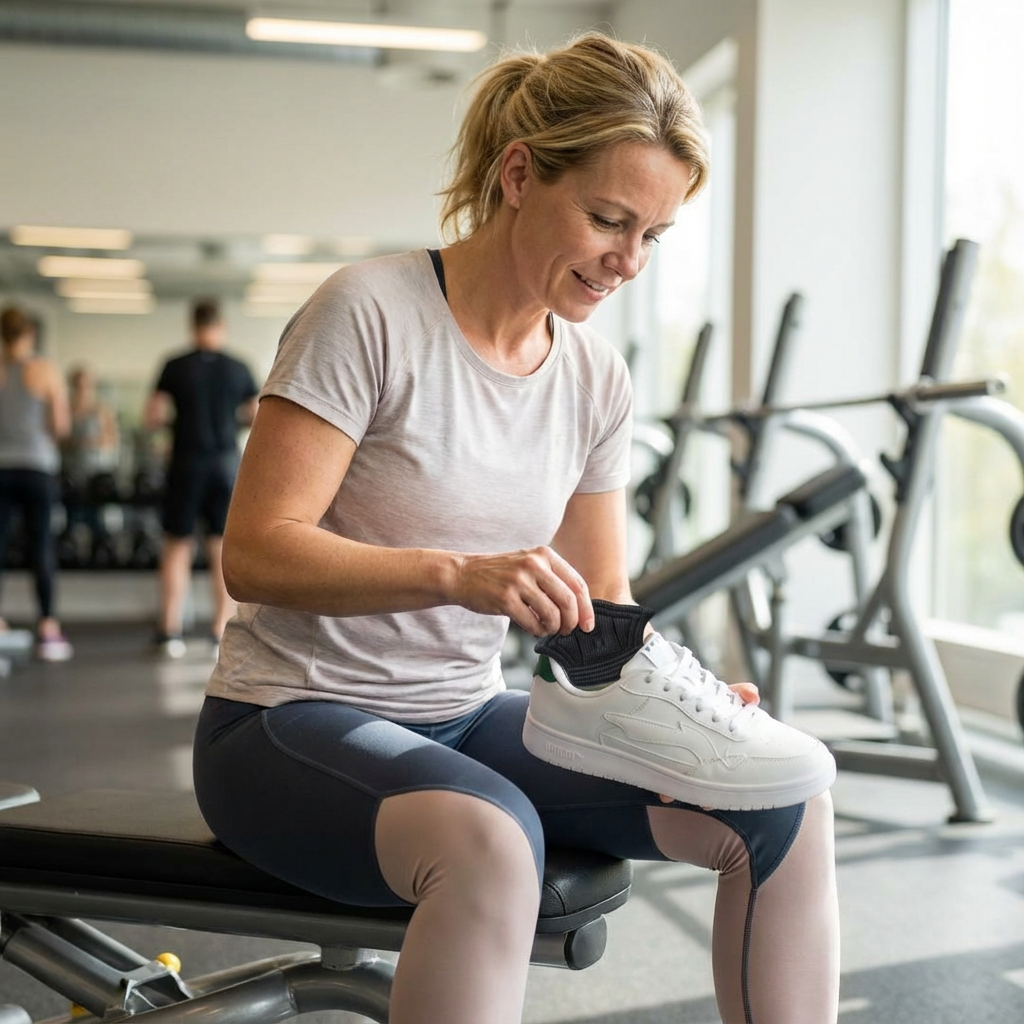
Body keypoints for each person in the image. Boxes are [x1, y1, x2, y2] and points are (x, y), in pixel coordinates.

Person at [192, 33, 840, 1024]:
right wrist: (458, 574)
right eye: (607, 219)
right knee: (493, 840)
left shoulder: (594, 379)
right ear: (518, 174)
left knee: (780, 802)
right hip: (285, 721)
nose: (626, 261)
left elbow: (602, 608)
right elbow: (259, 548)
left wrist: (683, 705)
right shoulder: (368, 312)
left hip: (464, 713)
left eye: (652, 236)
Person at [144, 300, 258, 657]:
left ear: (192, 326)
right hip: (225, 464)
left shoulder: (175, 365)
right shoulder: (237, 367)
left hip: (186, 463)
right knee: (220, 548)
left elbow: (153, 415)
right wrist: (229, 421)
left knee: (177, 545)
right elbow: (256, 415)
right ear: (220, 326)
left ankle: (169, 632)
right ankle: (220, 632)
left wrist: (178, 424)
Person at [0, 305, 73, 661]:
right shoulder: (44, 370)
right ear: (29, 334)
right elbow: (59, 426)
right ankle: (47, 626)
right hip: (37, 468)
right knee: (41, 545)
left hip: (1, 467)